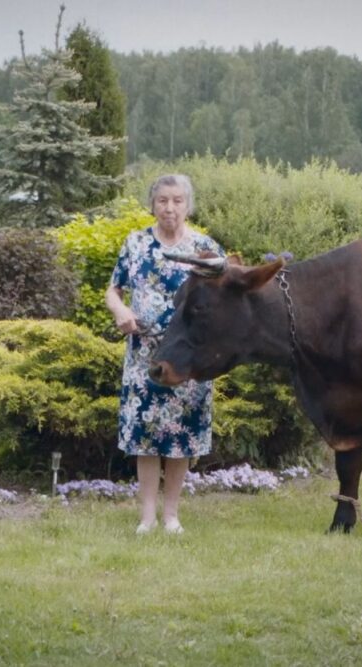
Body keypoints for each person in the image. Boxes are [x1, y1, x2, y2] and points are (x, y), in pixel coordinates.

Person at [105, 174, 223, 535]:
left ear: (187, 205)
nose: (169, 208)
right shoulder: (136, 243)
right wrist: (121, 312)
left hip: (187, 360)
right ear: (153, 204)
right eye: (162, 201)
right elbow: (112, 291)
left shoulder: (205, 250)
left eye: (177, 201)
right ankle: (147, 517)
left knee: (181, 437)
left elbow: (225, 302)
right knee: (145, 437)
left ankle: (171, 516)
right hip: (144, 355)